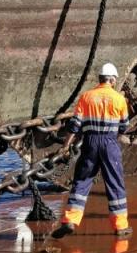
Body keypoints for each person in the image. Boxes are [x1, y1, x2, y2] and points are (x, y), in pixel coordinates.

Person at [51, 62, 132, 239]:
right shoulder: (119, 99)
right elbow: (125, 127)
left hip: (90, 143)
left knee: (81, 180)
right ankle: (120, 227)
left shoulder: (86, 97)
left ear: (100, 79)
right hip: (109, 143)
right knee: (115, 183)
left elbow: (74, 126)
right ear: (112, 80)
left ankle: (70, 221)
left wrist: (65, 147)